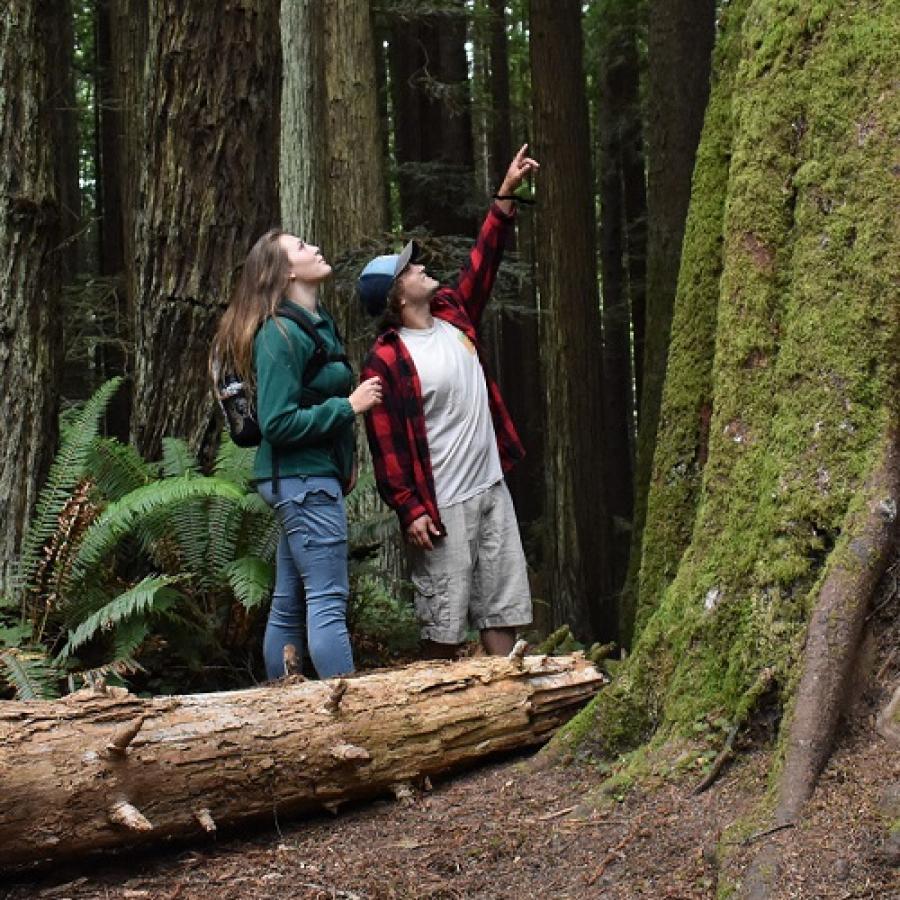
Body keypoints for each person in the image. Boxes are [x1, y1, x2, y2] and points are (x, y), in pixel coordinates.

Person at [357, 145, 538, 659]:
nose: (422, 269)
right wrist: (409, 508)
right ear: (397, 296)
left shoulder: (454, 314)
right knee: (443, 623)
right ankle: (439, 716)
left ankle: (508, 707)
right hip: (443, 507)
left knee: (501, 608)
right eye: (410, 270)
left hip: (490, 487)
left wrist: (505, 194)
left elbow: (484, 261)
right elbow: (385, 446)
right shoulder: (386, 361)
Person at [211, 230, 383, 680]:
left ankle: (283, 706)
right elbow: (278, 422)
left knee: (289, 601)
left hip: (304, 481)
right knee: (327, 598)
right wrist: (346, 406)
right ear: (285, 271)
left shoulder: (311, 321)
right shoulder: (280, 333)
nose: (316, 248)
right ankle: (348, 712)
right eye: (303, 247)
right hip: (302, 482)